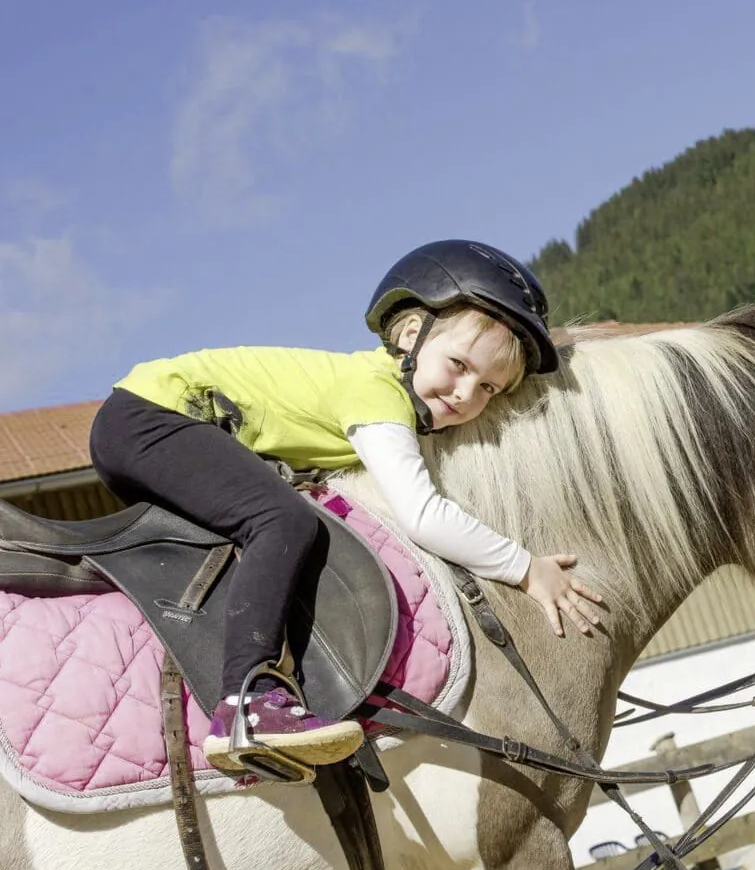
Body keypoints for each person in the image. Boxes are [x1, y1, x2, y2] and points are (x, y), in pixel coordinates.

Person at [90, 240, 603, 775]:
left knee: (277, 524)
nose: (466, 394)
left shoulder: (381, 395)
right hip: (153, 417)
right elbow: (421, 514)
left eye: (488, 388)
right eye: (458, 365)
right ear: (410, 336)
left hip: (144, 421)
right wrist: (524, 568)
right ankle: (248, 702)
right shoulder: (377, 393)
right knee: (282, 519)